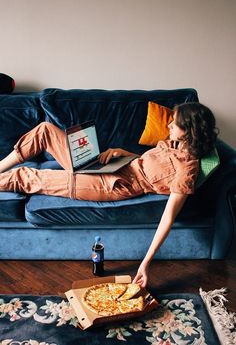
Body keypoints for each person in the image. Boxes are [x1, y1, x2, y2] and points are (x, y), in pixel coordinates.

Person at [0, 102, 218, 287]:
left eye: (175, 122)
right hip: (114, 166)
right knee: (46, 129)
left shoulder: (186, 170)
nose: (169, 124)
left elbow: (168, 218)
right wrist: (124, 154)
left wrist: (145, 263)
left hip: (110, 184)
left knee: (24, 176)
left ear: (189, 129)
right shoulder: (174, 143)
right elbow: (149, 164)